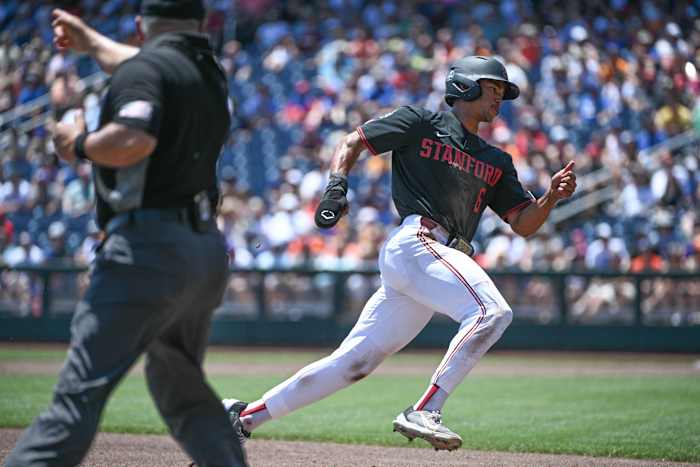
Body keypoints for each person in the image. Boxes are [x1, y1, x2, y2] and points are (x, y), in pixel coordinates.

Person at [223, 56, 577, 451]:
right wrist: (336, 187)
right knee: (491, 312)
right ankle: (425, 410)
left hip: (432, 259)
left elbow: (524, 223)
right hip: (417, 243)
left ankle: (242, 417)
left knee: (353, 363)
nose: (500, 98)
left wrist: (550, 198)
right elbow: (352, 141)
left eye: (502, 93)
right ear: (465, 86)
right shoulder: (420, 123)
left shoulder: (496, 160)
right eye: (493, 89)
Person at [5, 1, 247, 466]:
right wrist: (90, 41)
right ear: (200, 25)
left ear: (140, 27)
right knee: (183, 392)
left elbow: (133, 137)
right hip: (204, 251)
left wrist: (76, 143)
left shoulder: (146, 70)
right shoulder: (207, 72)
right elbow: (148, 64)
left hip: (147, 250)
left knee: (76, 396)